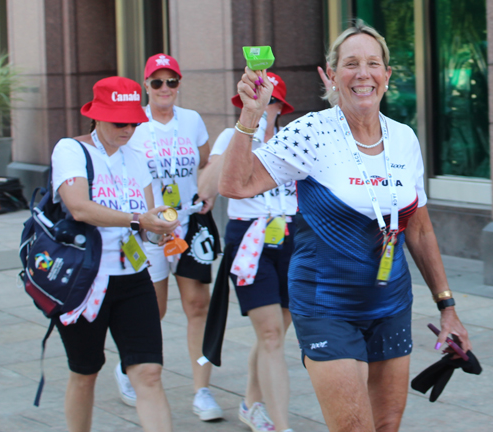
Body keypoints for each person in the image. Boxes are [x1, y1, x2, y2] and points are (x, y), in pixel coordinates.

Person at [217, 21, 473, 432]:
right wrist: (250, 115)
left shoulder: (405, 138)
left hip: (390, 302)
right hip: (326, 304)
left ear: (387, 76)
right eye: (350, 64)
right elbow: (234, 186)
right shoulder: (311, 132)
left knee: (387, 425)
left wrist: (448, 309)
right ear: (330, 75)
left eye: (374, 63)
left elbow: (421, 230)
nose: (363, 74)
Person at [51, 76, 177, 432]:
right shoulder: (71, 150)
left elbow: (149, 221)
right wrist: (138, 218)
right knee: (85, 371)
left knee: (149, 373)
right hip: (84, 280)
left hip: (133, 277)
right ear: (97, 116)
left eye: (134, 122)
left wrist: (163, 228)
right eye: (119, 122)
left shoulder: (137, 159)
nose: (128, 129)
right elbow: (79, 208)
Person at [119, 53, 222, 421]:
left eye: (172, 81)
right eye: (157, 82)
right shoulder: (135, 125)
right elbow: (126, 172)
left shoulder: (191, 121)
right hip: (151, 227)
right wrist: (147, 221)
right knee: (153, 309)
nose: (165, 89)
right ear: (146, 86)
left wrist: (207, 192)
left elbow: (206, 162)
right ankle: (128, 365)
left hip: (189, 224)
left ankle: (202, 390)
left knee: (198, 306)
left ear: (179, 84)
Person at [198, 72, 296, 432]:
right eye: (252, 101)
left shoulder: (290, 138)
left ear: (280, 106)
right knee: (270, 333)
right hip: (249, 239)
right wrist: (244, 135)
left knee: (277, 331)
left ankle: (251, 403)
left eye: (268, 101)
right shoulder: (232, 136)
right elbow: (205, 190)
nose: (260, 106)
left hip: (290, 235)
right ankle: (281, 424)